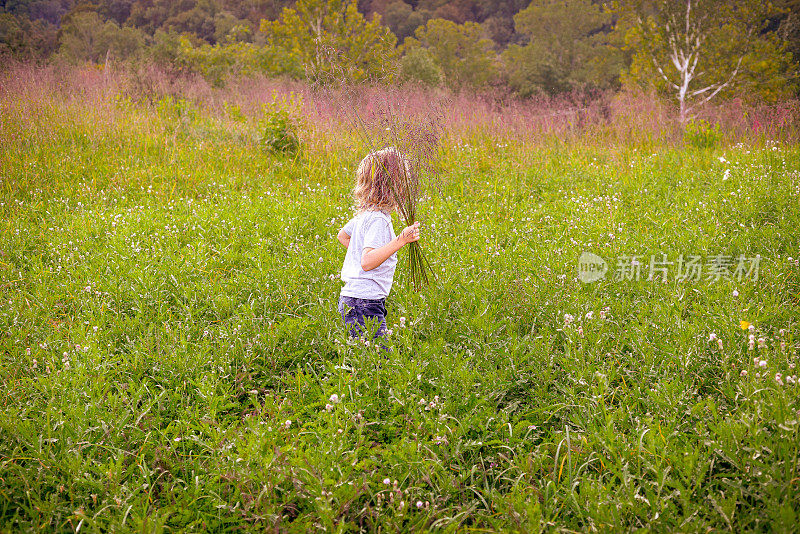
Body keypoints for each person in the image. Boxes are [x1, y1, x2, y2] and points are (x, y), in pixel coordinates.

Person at [336, 147, 420, 342]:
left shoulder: (366, 214)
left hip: (354, 299)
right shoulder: (379, 220)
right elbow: (367, 262)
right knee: (379, 361)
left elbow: (342, 236)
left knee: (365, 355)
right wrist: (401, 240)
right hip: (365, 302)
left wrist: (364, 254)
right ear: (394, 187)